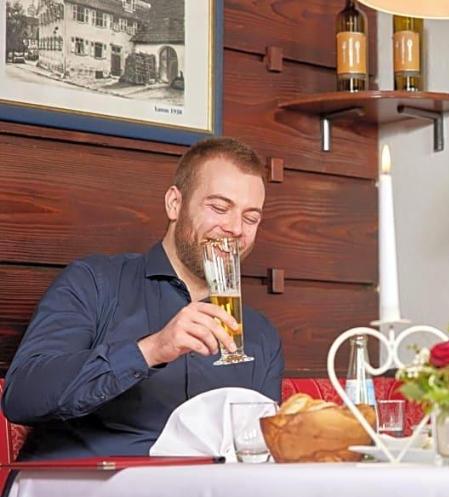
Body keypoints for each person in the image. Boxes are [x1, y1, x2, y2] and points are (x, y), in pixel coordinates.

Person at [2, 137, 285, 460]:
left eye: (251, 218)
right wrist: (151, 350)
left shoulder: (261, 335)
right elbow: (22, 397)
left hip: (204, 490)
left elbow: (259, 456)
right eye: (219, 208)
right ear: (174, 204)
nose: (235, 228)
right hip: (88, 486)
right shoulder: (95, 282)